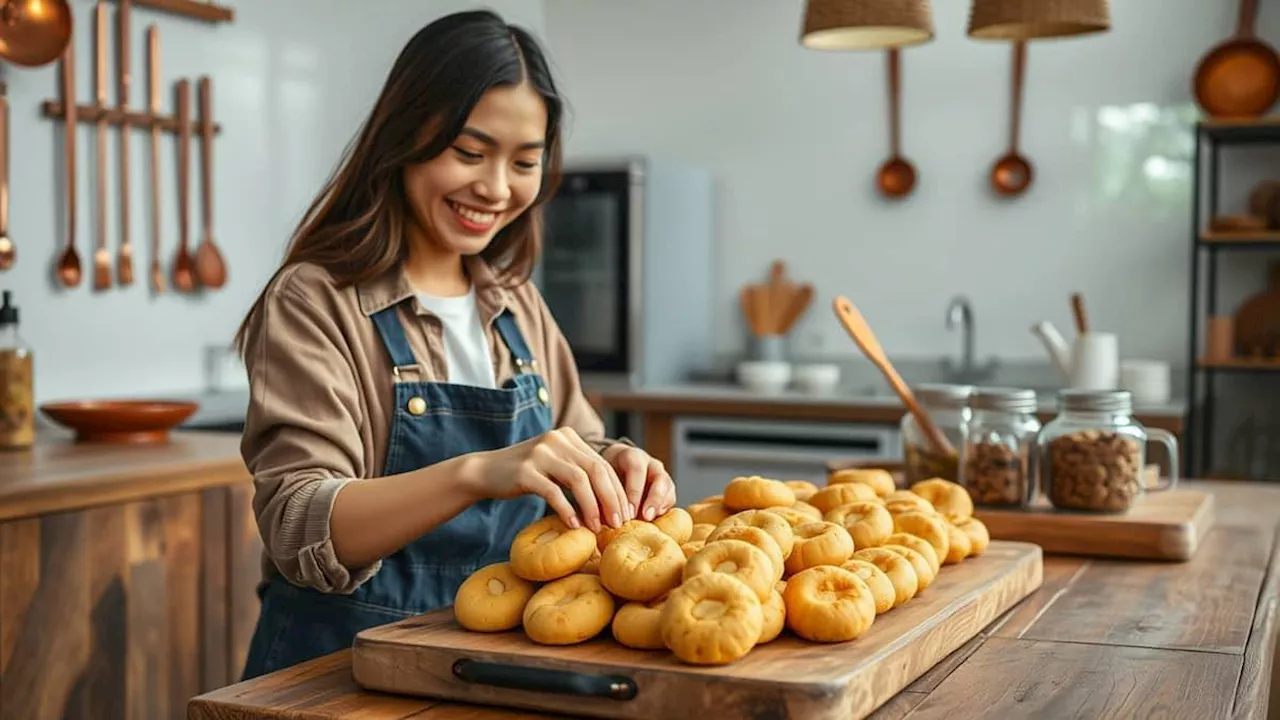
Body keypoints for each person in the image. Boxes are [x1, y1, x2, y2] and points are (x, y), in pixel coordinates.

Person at [232, 9, 676, 680]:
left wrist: (616, 464)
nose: (496, 188)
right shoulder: (315, 297)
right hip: (338, 673)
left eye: (524, 162)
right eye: (469, 153)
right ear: (404, 135)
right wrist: (478, 472)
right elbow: (299, 522)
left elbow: (576, 443)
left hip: (494, 668)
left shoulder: (515, 301)